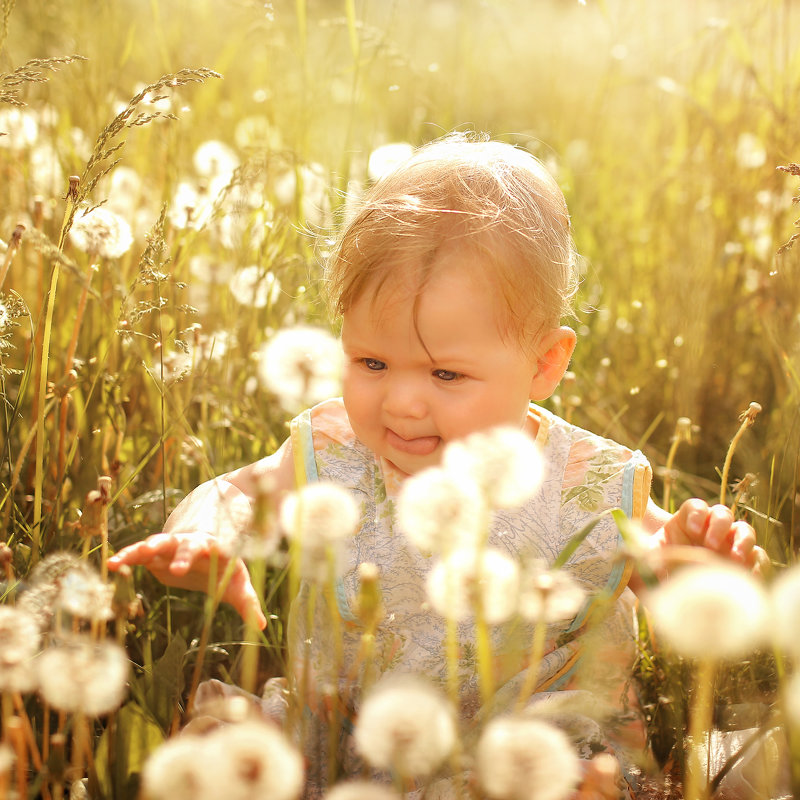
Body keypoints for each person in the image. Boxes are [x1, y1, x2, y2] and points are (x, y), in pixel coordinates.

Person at [109, 134, 762, 799]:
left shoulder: (589, 483)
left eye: (447, 373)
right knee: (224, 756)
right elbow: (235, 492)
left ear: (544, 363)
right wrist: (204, 534)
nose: (401, 401)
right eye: (371, 362)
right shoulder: (335, 449)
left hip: (527, 763)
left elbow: (666, 574)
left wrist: (694, 556)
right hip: (337, 742)